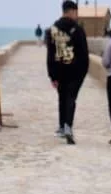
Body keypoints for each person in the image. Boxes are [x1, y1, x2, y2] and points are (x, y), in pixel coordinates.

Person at [45, 0, 88, 144]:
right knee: (71, 99)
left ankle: (62, 126)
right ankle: (68, 125)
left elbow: (50, 55)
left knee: (62, 98)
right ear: (72, 11)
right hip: (75, 72)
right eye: (76, 12)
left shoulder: (52, 30)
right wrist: (83, 73)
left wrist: (52, 75)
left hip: (59, 70)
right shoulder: (78, 29)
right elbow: (84, 54)